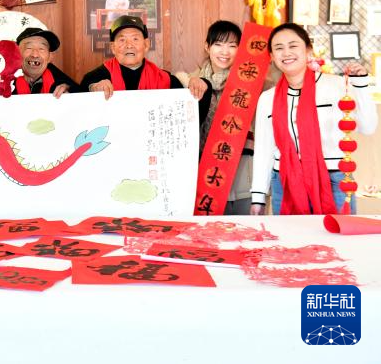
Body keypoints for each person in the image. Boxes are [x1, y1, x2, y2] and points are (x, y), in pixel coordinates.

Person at [250, 23, 377, 216]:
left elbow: (367, 127)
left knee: (338, 235)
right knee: (289, 236)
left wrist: (360, 85)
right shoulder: (267, 99)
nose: (286, 52)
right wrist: (258, 197)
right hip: (284, 182)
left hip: (334, 179)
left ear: (308, 50)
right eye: (279, 48)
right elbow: (263, 149)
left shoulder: (336, 86)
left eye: (293, 46)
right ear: (272, 56)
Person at [176, 20, 273, 215]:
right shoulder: (188, 82)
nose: (225, 52)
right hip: (205, 176)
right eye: (218, 44)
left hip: (246, 173)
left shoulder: (256, 83)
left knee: (247, 229)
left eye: (232, 45)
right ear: (207, 47)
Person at [81, 15, 212, 117]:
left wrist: (202, 84)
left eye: (135, 39)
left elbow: (190, 115)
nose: (129, 45)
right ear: (112, 47)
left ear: (146, 45)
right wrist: (92, 90)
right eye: (122, 40)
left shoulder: (164, 79)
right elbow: (78, 108)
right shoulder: (96, 78)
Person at [0, 27, 80, 97]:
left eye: (41, 49)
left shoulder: (61, 84)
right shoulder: (2, 82)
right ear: (16, 54)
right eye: (29, 48)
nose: (35, 55)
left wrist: (70, 93)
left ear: (50, 57)